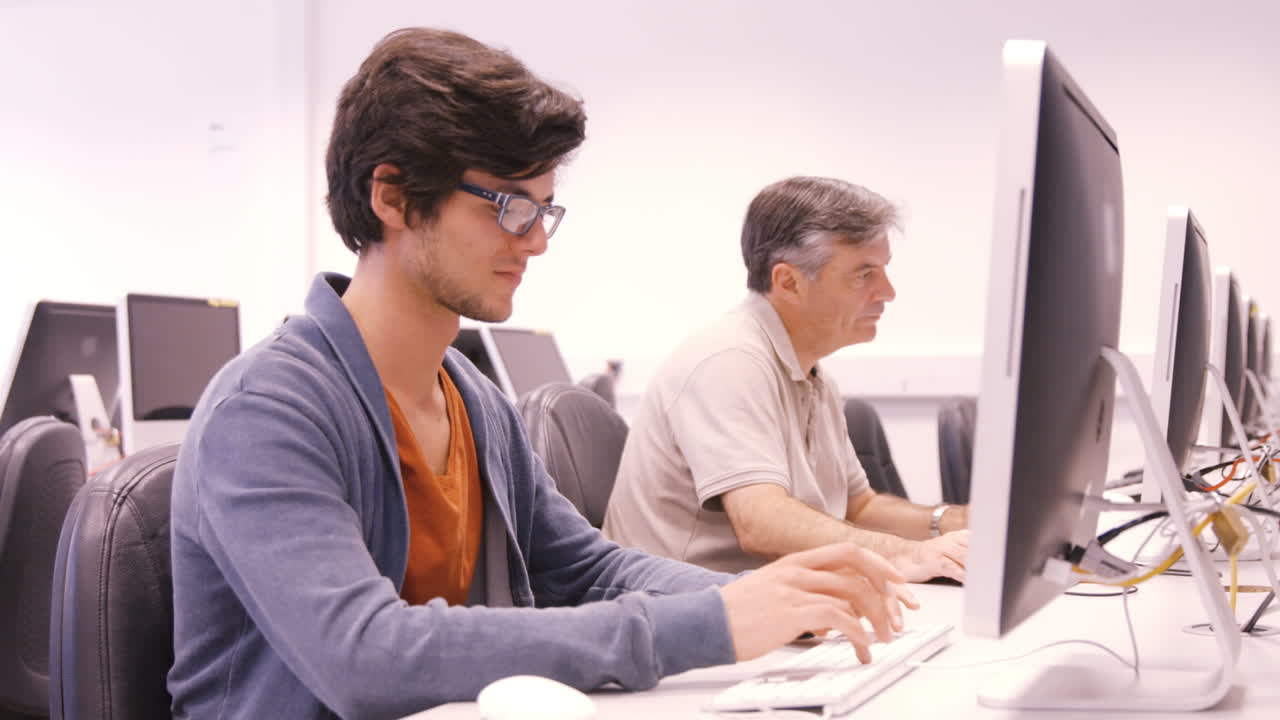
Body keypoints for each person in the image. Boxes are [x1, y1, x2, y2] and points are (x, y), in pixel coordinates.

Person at [167, 29, 915, 720]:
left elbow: (585, 568)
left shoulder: (471, 398)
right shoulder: (266, 409)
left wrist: (779, 599)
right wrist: (714, 623)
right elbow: (365, 656)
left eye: (544, 212)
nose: (534, 243)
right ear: (392, 197)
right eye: (508, 207)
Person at [603, 176, 970, 580]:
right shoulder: (728, 362)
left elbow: (858, 507)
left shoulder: (812, 374)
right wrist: (909, 555)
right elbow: (761, 521)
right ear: (789, 282)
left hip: (765, 605)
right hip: (688, 614)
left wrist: (952, 523)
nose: (888, 292)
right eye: (864, 274)